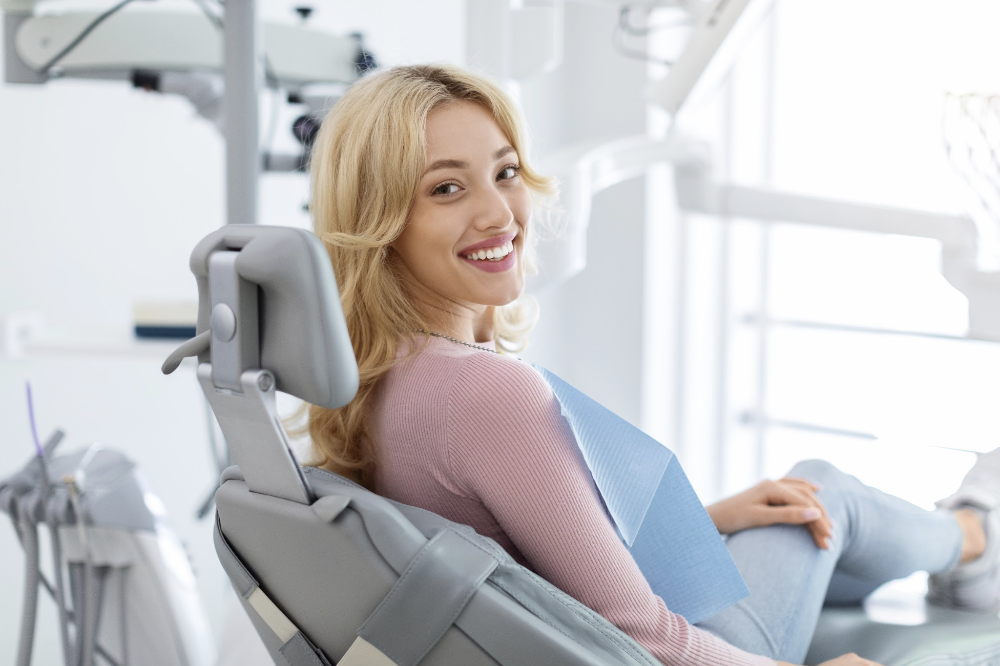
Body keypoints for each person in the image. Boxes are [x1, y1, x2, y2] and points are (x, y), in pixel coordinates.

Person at [305, 64, 999, 666]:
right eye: (447, 190)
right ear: (382, 220)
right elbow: (643, 639)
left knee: (787, 511)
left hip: (554, 636)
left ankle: (952, 549)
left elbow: (524, 561)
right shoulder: (487, 392)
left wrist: (713, 518)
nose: (499, 213)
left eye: (505, 172)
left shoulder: (376, 375)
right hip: (668, 650)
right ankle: (976, 538)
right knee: (822, 493)